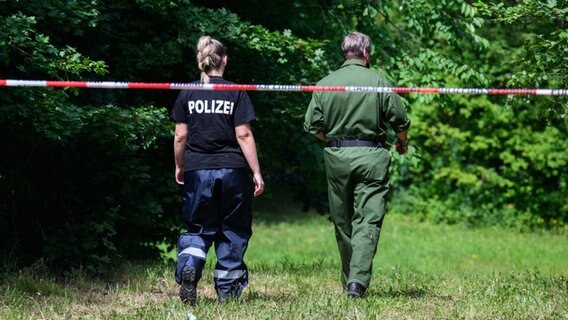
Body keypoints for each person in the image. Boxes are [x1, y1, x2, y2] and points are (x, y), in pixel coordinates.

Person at [303, 31, 411, 298]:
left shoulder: (326, 83)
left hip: (336, 157)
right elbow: (400, 120)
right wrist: (402, 142)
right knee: (368, 219)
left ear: (344, 53)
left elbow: (312, 126)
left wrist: (334, 139)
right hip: (372, 156)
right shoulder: (378, 81)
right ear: (365, 53)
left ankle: (350, 279)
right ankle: (357, 282)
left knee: (342, 221)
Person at [170, 35, 265, 304]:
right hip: (233, 171)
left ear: (202, 61)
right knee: (233, 230)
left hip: (197, 171)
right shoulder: (236, 90)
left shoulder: (187, 91)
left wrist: (180, 165)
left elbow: (180, 136)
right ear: (225, 60)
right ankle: (228, 290)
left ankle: (190, 263)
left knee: (198, 228)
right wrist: (256, 171)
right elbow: (244, 135)